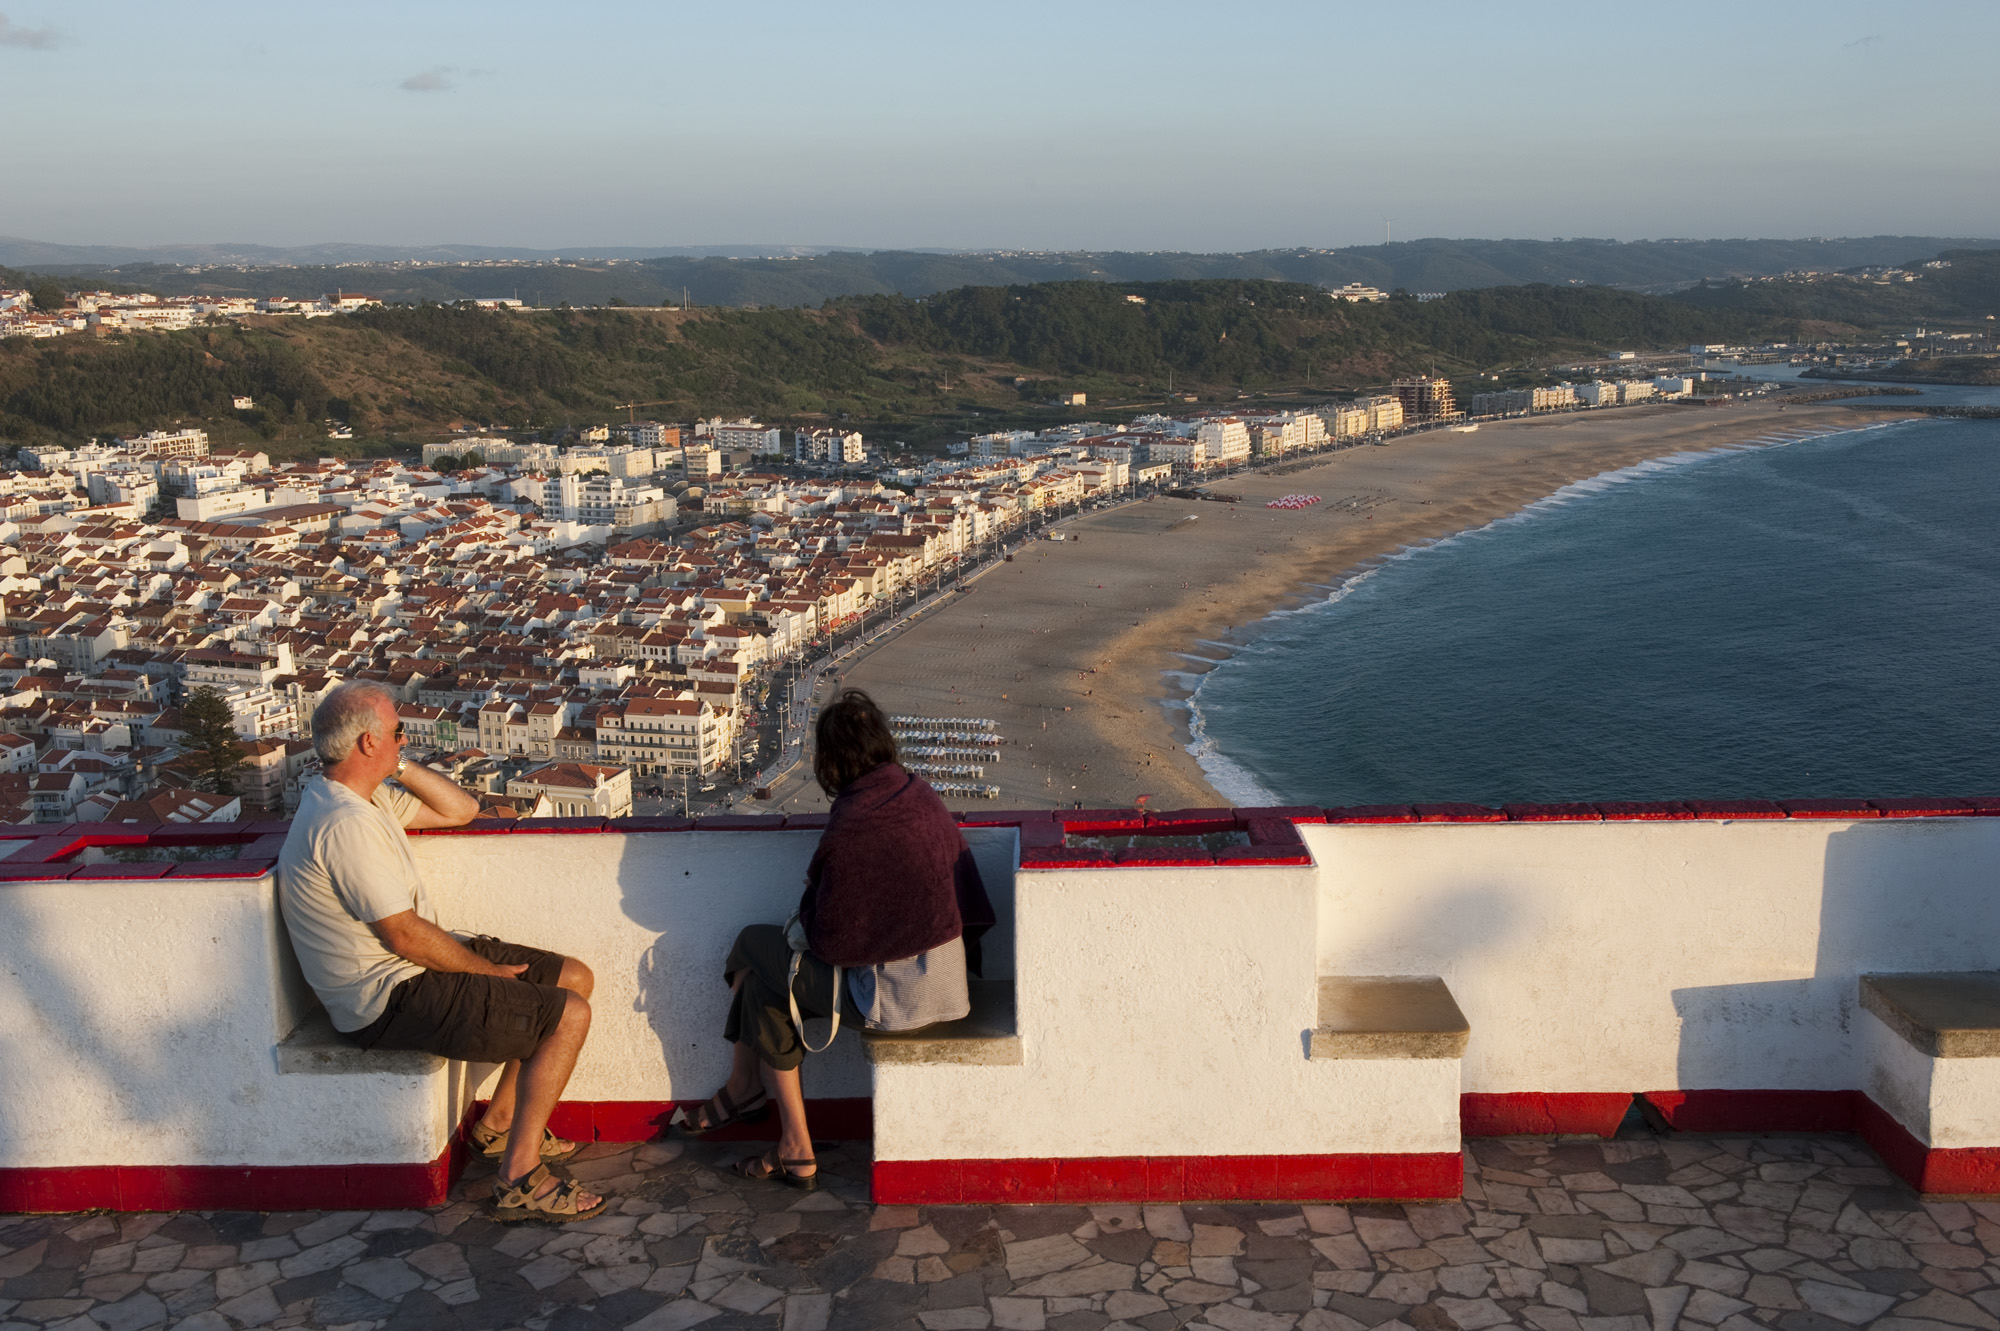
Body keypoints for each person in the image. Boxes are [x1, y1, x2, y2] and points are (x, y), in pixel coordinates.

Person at [278, 680, 604, 1223]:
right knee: (569, 1015)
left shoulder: (363, 797)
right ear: (366, 742)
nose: (404, 737)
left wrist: (398, 763)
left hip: (410, 966)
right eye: (397, 731)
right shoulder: (343, 823)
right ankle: (519, 1177)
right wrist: (488, 973)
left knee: (574, 978)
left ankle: (500, 1125)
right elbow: (402, 936)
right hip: (384, 997)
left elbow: (462, 809)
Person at [674, 689, 995, 1189]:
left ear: (831, 761)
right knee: (762, 990)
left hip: (896, 1000)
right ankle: (788, 1141)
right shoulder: (918, 792)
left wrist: (812, 899)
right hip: (948, 985)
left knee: (751, 947)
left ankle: (749, 1096)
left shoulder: (855, 818)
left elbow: (831, 940)